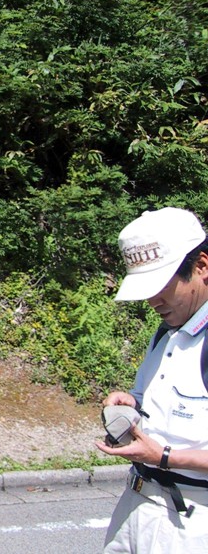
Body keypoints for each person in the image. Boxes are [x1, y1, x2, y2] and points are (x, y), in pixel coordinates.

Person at [97, 207, 208, 552]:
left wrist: (163, 456)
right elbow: (151, 400)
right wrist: (131, 403)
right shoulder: (168, 331)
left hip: (192, 521)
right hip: (136, 502)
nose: (152, 300)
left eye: (161, 284)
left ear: (202, 267)